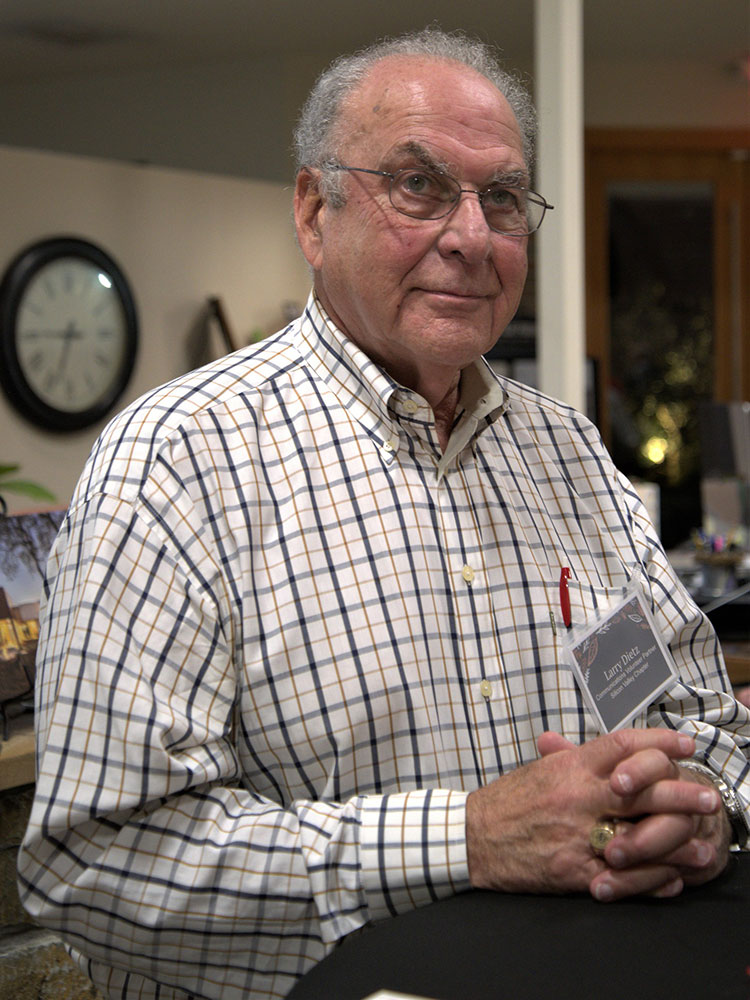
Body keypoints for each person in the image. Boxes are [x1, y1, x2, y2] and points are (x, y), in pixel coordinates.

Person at [18, 27, 750, 1000]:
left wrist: (700, 810)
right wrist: (471, 838)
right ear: (315, 212)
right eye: (418, 185)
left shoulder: (571, 456)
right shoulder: (177, 463)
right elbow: (95, 866)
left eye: (502, 198)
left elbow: (698, 725)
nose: (471, 236)